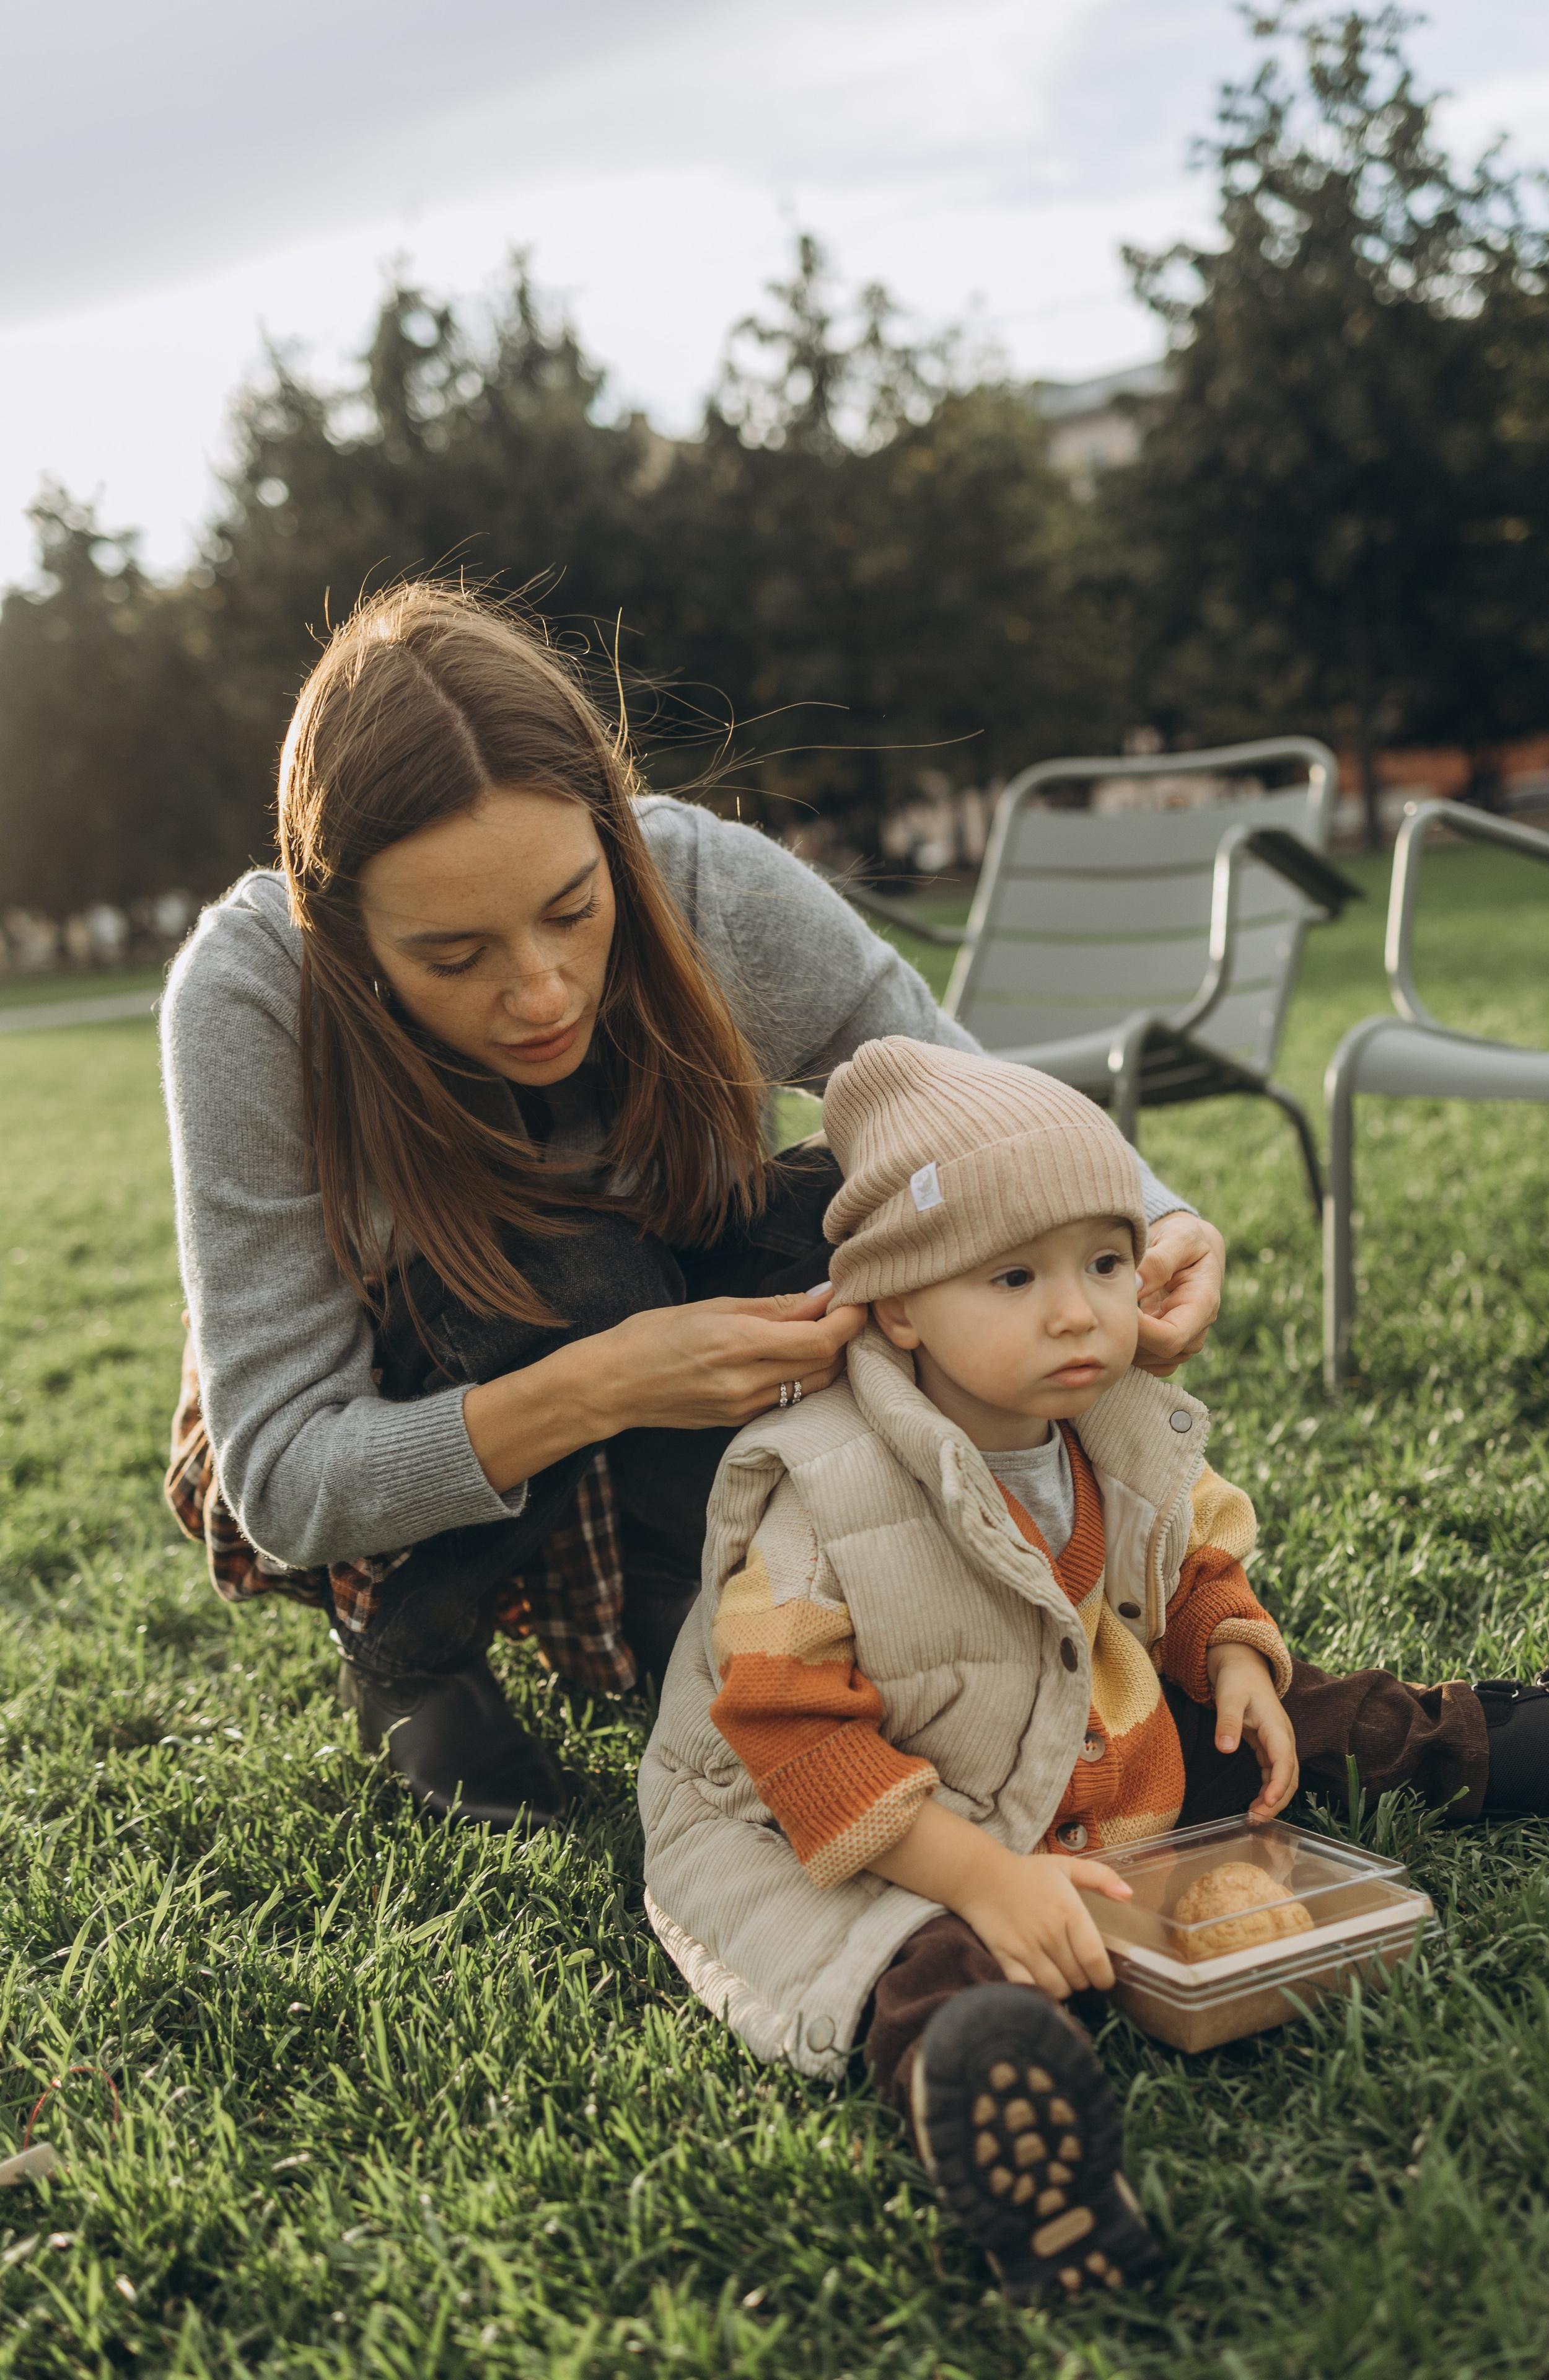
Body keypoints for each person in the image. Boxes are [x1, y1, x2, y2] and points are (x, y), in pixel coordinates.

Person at [159, 584, 1227, 1831]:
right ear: (340, 931)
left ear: (613, 836)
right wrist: (604, 1383)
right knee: (577, 1279)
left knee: (876, 1209)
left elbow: (959, 1093)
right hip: (426, 1392)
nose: (542, 990)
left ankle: (706, 1603)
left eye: (572, 909)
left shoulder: (702, 880)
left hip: (665, 1326)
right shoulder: (251, 994)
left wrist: (1145, 1218)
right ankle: (413, 1650)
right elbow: (283, 1481)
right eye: (454, 957)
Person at [639, 1036, 1549, 2306]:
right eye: (1014, 1274)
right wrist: (983, 1876)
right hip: (881, 1815)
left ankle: (1512, 1737)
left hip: (1082, 1731)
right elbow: (791, 1737)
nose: (1077, 1309)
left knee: (1298, 1719)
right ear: (903, 1303)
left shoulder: (1102, 1411)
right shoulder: (819, 1491)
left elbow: (1178, 1554)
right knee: (921, 1960)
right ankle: (1006, 2123)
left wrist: (1232, 1648)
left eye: (1100, 1261)